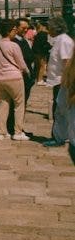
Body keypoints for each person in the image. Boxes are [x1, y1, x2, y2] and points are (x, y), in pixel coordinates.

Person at [0, 20, 31, 141]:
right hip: (14, 77)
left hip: (0, 78)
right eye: (14, 30)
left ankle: (1, 132)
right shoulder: (14, 45)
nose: (15, 32)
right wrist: (28, 72)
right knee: (19, 105)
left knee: (4, 104)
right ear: (9, 31)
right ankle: (17, 132)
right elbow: (21, 63)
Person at [45, 17, 73, 148]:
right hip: (58, 80)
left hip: (62, 81)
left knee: (60, 109)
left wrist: (66, 81)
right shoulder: (59, 40)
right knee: (60, 109)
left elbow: (67, 62)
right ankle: (61, 136)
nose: (47, 30)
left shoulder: (64, 41)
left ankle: (59, 137)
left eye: (49, 27)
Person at [6, 18, 36, 136]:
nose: (25, 30)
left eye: (27, 28)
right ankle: (15, 128)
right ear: (16, 28)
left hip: (26, 78)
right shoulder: (15, 42)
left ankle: (15, 127)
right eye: (23, 28)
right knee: (18, 105)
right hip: (21, 76)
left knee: (19, 104)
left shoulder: (22, 40)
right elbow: (25, 58)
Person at [33, 22, 51, 86]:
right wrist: (50, 46)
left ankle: (38, 79)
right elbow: (44, 44)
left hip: (36, 52)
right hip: (41, 53)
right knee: (42, 66)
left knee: (38, 66)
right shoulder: (44, 34)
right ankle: (40, 80)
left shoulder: (38, 34)